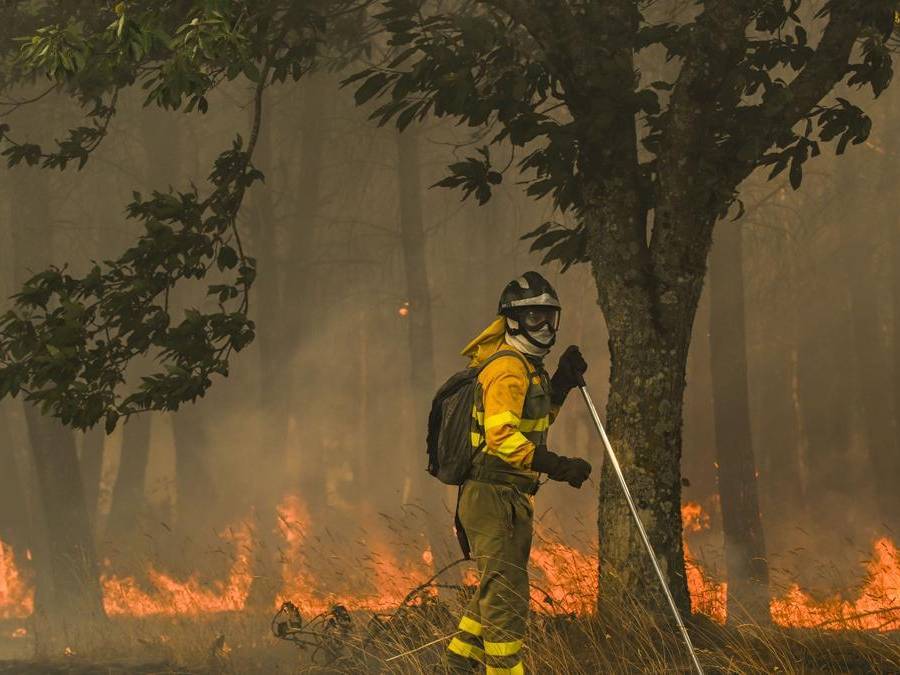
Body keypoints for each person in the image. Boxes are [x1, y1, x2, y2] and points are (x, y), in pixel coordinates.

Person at [446, 271, 593, 674]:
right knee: (506, 599)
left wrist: (560, 384)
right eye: (533, 317)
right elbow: (502, 439)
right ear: (512, 320)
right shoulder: (509, 369)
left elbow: (534, 422)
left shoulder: (526, 367)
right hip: (493, 495)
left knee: (497, 585)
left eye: (549, 317)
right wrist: (558, 466)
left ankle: (457, 664)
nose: (544, 327)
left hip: (506, 495)